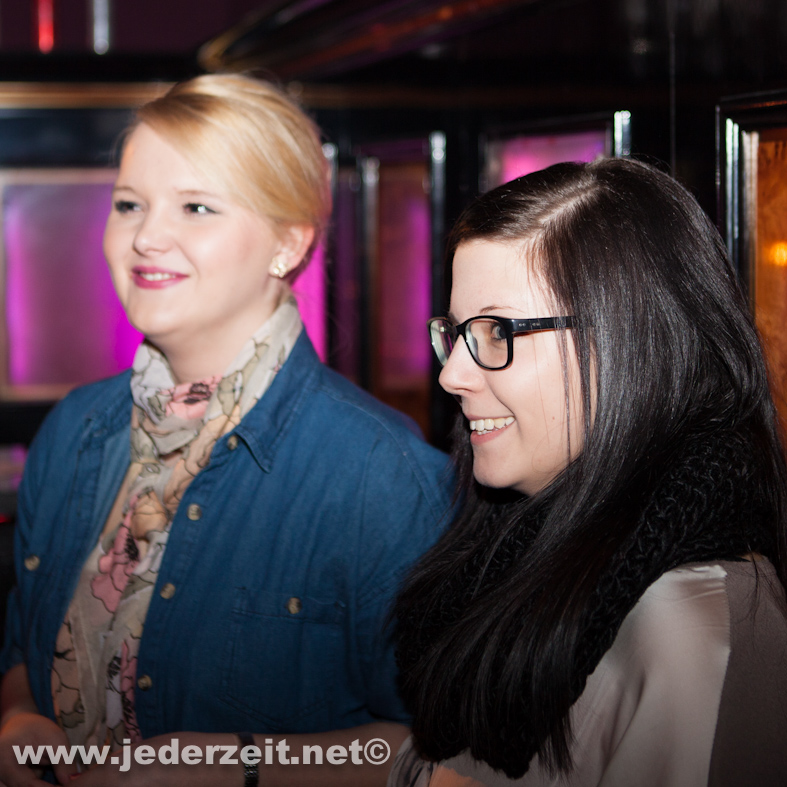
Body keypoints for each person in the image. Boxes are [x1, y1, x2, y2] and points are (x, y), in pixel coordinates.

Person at [0, 74, 452, 787]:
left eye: (196, 207)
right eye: (129, 204)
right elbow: (23, 646)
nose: (146, 236)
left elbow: (436, 753)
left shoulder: (381, 473)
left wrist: (231, 765)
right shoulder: (74, 429)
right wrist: (19, 716)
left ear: (287, 243)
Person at [389, 158, 787, 787]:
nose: (452, 374)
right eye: (458, 332)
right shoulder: (529, 533)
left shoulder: (685, 615)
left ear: (628, 341)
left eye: (496, 331)